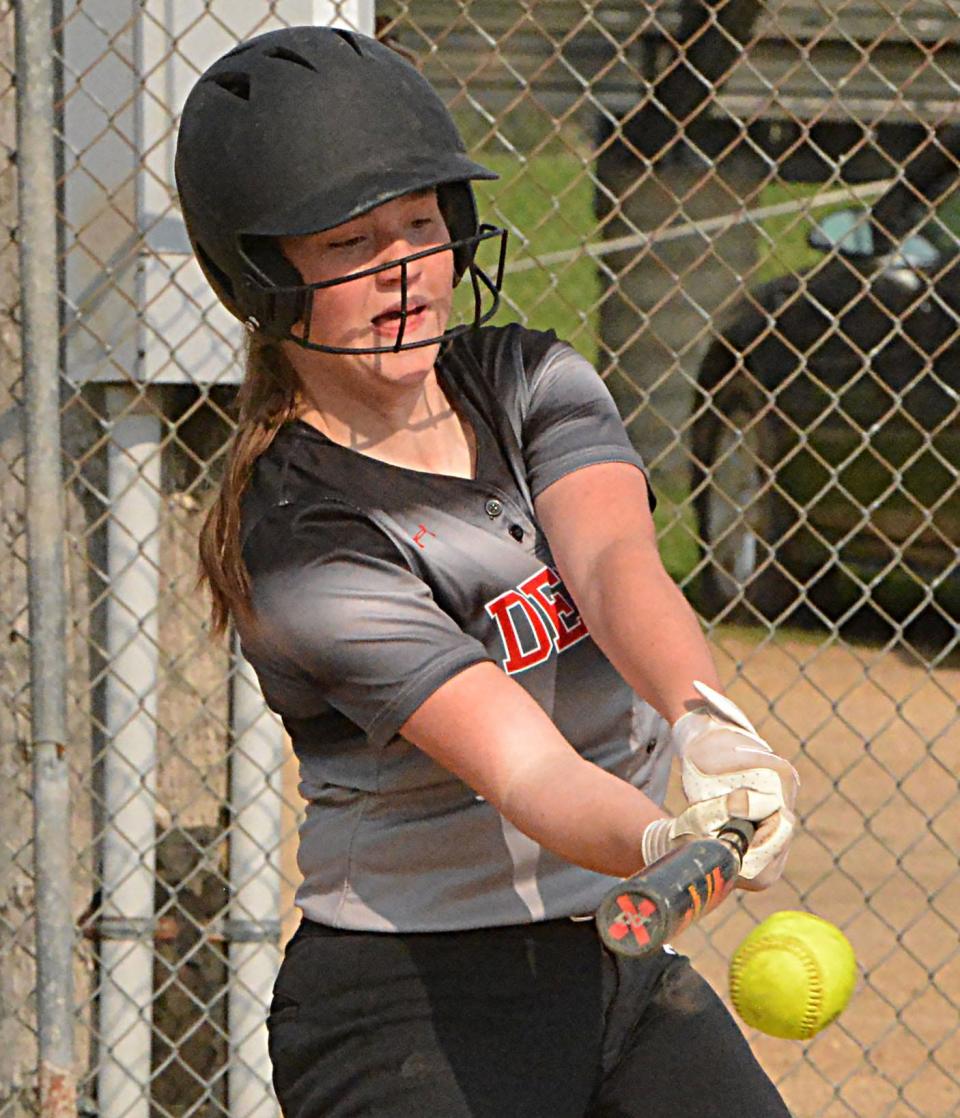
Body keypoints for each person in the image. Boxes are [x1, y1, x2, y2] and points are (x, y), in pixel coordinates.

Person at [175, 25, 799, 1118]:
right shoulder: (298, 534)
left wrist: (706, 721)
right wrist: (662, 840)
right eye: (352, 246)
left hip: (614, 967)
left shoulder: (528, 375)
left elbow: (614, 564)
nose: (406, 271)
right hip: (410, 999)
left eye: (421, 225)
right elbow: (521, 768)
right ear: (262, 276)